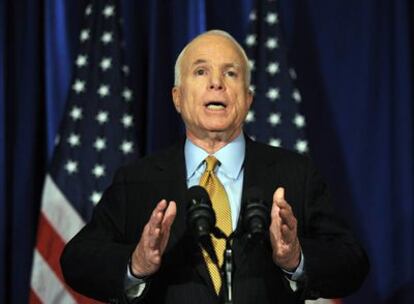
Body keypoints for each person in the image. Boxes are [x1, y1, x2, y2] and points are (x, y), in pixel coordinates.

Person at [60, 30, 369, 304]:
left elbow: (352, 263)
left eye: (231, 73)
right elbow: (77, 261)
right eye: (201, 71)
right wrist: (136, 263)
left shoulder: (295, 174)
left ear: (248, 99)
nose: (217, 84)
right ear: (177, 98)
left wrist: (295, 257)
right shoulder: (136, 181)